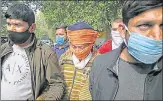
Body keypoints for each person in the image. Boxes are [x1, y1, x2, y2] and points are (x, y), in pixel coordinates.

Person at [90, 0, 162, 100]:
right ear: (123, 30)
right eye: (144, 25)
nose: (158, 36)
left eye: (162, 26)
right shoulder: (100, 64)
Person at [1, 4, 65, 100]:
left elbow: (56, 84)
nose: (12, 29)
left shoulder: (46, 53)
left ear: (32, 28)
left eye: (17, 25)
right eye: (9, 24)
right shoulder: (3, 49)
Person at [60, 22, 98, 100]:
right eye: (74, 46)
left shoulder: (98, 61)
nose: (77, 50)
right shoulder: (64, 59)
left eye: (81, 47)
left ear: (90, 44)